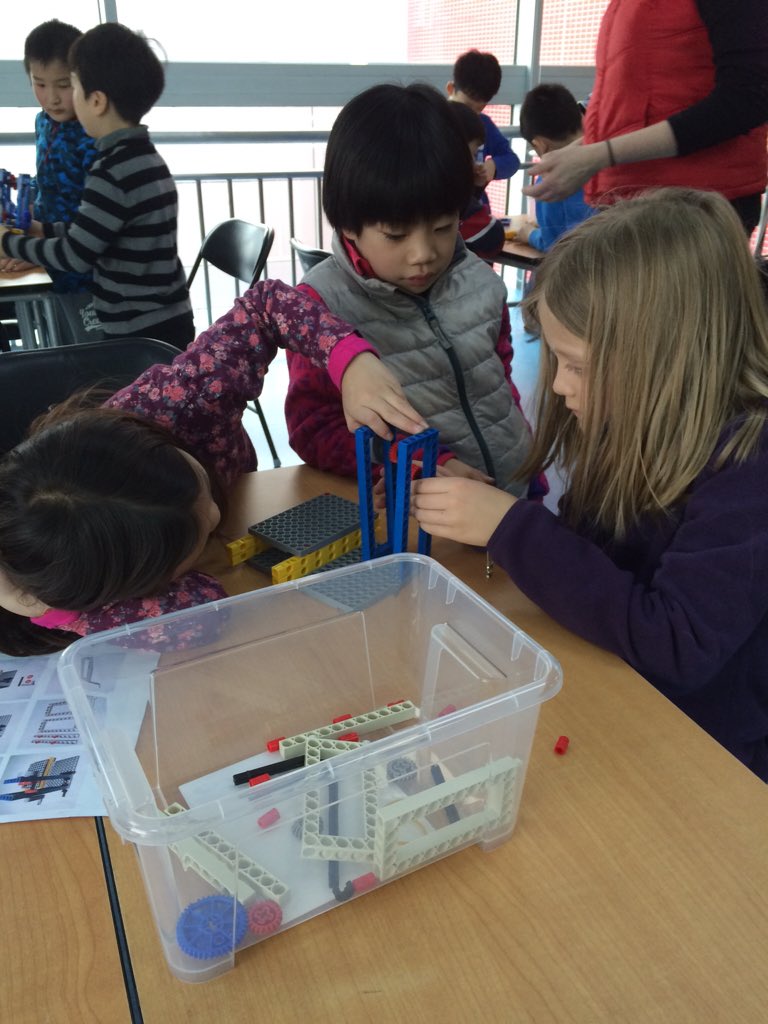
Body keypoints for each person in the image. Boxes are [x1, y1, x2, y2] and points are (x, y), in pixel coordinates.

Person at [413, 188, 768, 781]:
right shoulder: (632, 420)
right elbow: (592, 563)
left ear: (662, 359)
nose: (558, 387)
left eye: (574, 364)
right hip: (624, 702)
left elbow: (676, 643)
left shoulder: (749, 466)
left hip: (713, 758)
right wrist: (490, 527)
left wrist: (512, 527)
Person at [0, 280, 427, 658]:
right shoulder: (88, 580)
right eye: (195, 535)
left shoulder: (177, 400)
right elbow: (203, 616)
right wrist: (56, 611)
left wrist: (349, 360)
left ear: (154, 439)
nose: (214, 514)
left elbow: (265, 306)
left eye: (195, 482)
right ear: (138, 582)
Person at [284, 83, 542, 499]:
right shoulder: (321, 310)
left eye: (443, 227)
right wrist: (418, 463)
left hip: (512, 496)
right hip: (424, 514)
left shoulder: (480, 282)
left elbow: (499, 388)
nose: (423, 253)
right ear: (348, 224)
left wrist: (527, 467)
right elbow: (314, 429)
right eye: (395, 235)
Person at [0, 23, 194, 347]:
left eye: (72, 87)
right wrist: (39, 229)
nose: (64, 99)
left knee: (114, 396)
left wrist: (8, 242)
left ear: (97, 101)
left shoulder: (112, 172)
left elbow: (77, 255)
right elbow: (92, 232)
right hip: (162, 321)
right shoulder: (141, 158)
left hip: (141, 333)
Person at [523, 0, 768, 233]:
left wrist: (597, 154)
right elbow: (642, 109)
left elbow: (749, 96)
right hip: (634, 199)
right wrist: (583, 149)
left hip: (693, 206)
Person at [516, 83, 594, 252]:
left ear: (540, 145)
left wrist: (530, 234)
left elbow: (553, 245)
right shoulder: (607, 154)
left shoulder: (550, 181)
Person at [447, 49, 520, 197]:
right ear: (450, 89)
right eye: (466, 105)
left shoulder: (484, 124)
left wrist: (493, 166)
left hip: (475, 208)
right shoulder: (434, 121)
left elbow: (512, 160)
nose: (471, 114)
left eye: (480, 108)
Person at [447, 101, 506, 260]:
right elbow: (490, 235)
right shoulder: (450, 195)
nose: (475, 163)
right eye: (472, 154)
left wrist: (475, 188)